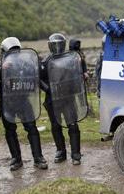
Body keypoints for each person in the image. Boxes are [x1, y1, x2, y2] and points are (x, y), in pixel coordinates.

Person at [0, 37, 48, 171]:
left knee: (32, 128)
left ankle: (38, 158)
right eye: (11, 51)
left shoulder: (25, 63)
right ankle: (16, 159)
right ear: (4, 52)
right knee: (10, 130)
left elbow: (36, 75)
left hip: (24, 100)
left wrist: (48, 89)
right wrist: (0, 69)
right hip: (7, 103)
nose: (14, 53)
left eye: (16, 51)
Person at [40, 33, 82, 165]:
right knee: (55, 125)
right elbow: (39, 79)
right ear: (50, 46)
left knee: (73, 125)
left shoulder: (70, 60)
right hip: (52, 100)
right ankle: (60, 151)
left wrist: (75, 89)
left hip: (68, 98)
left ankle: (76, 153)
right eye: (55, 44)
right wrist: (48, 89)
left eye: (59, 44)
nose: (57, 47)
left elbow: (76, 77)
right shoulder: (46, 61)